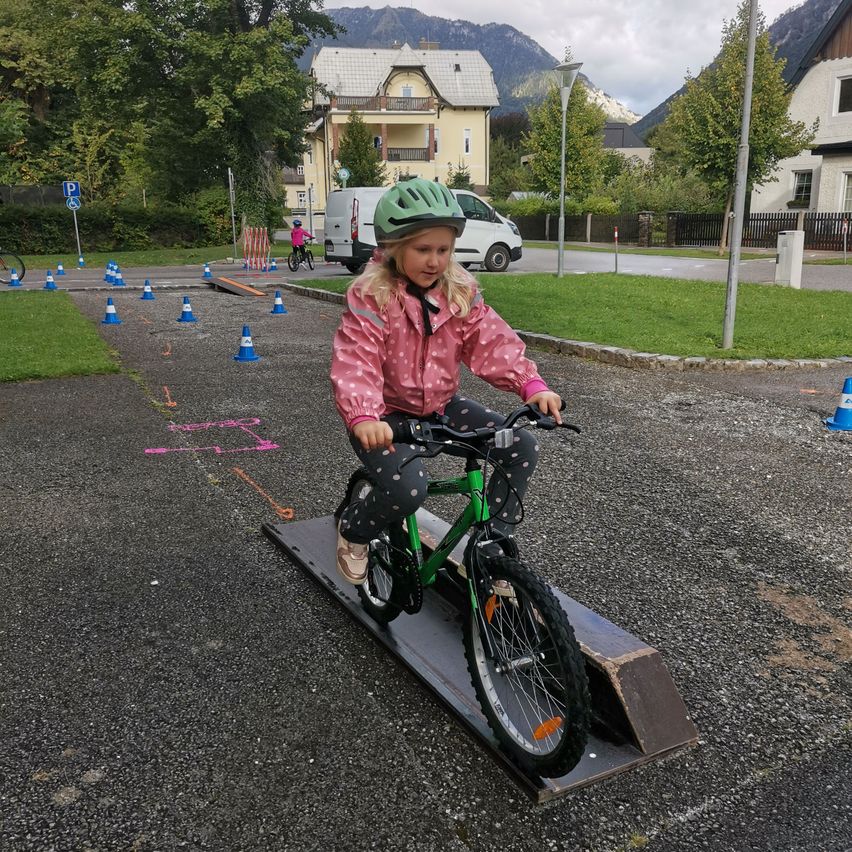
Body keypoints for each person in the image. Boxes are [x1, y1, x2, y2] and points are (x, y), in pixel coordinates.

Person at [330, 178, 562, 585]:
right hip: (385, 419)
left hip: (442, 409)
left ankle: (491, 544)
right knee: (407, 491)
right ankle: (354, 531)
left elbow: (491, 341)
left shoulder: (459, 293)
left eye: (443, 249)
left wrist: (531, 385)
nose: (435, 260)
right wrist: (365, 415)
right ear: (392, 248)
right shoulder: (372, 297)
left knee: (520, 443)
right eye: (422, 249)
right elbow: (356, 360)